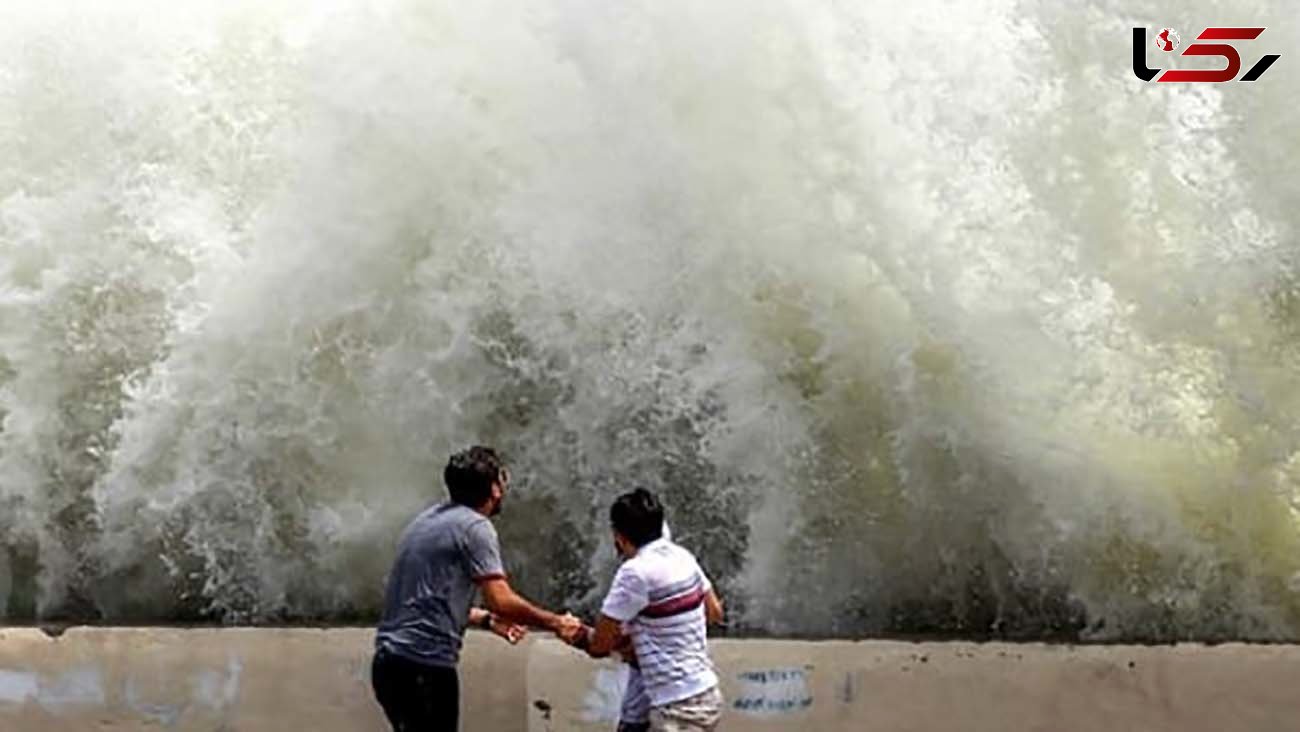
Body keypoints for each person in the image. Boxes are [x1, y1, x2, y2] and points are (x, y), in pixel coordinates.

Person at [372, 445, 582, 731]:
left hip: (390, 665)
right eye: (502, 479)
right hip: (423, 666)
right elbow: (500, 599)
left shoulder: (427, 521)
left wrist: (485, 620)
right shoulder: (475, 527)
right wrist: (556, 622)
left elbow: (426, 600)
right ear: (494, 488)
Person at [575, 488, 725, 732]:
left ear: (618, 535)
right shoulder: (683, 556)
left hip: (675, 709)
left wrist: (575, 632)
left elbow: (600, 644)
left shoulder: (635, 573)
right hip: (707, 693)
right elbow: (714, 612)